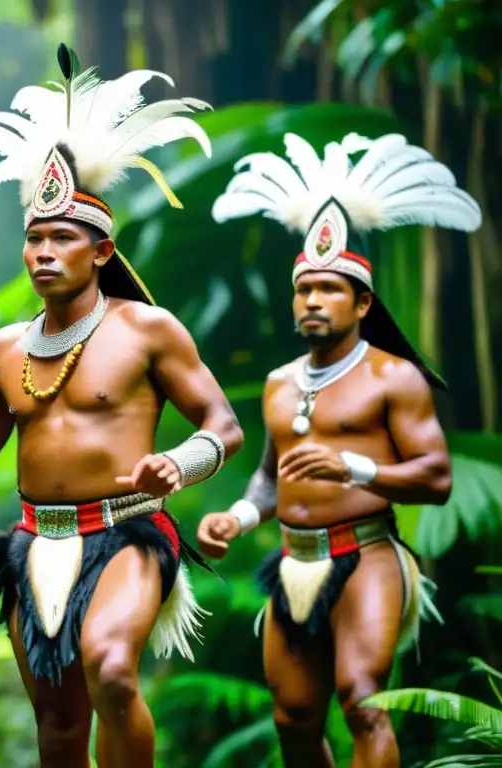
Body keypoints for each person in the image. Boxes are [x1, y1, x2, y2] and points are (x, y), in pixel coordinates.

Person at [0, 44, 243, 768]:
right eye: (34, 237)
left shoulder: (147, 330)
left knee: (115, 672)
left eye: (63, 237)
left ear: (101, 250)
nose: (44, 251)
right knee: (58, 731)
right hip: (35, 543)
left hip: (127, 534)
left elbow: (225, 426)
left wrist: (176, 467)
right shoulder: (4, 350)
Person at [197, 131, 482, 768]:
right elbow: (270, 478)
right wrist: (238, 518)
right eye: (305, 289)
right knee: (293, 716)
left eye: (329, 289)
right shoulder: (278, 384)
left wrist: (351, 465)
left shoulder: (393, 377)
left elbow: (435, 477)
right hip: (293, 561)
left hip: (369, 555)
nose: (313, 301)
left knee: (362, 700)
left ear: (361, 302)